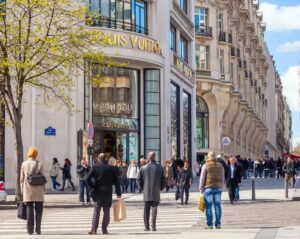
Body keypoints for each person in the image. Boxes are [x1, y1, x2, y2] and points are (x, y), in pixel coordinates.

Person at [86, 153, 122, 235]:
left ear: (99, 159)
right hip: (108, 192)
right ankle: (104, 230)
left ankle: (94, 230)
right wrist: (118, 193)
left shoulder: (95, 167)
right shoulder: (112, 168)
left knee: (96, 211)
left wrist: (91, 187)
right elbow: (117, 182)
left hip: (97, 192)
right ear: (106, 159)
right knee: (106, 211)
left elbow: (87, 178)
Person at [137, 152, 166, 232]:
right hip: (156, 191)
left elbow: (138, 179)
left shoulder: (143, 168)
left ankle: (147, 227)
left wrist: (142, 188)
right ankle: (153, 226)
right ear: (154, 157)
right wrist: (160, 188)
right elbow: (164, 180)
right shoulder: (159, 167)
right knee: (154, 209)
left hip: (146, 192)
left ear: (148, 157)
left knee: (146, 211)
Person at [20, 147, 45, 235]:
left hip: (28, 190)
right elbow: (43, 178)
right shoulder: (39, 164)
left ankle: (30, 230)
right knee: (39, 210)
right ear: (36, 154)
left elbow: (22, 179)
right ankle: (38, 229)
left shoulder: (24, 164)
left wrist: (22, 190)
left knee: (29, 210)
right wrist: (44, 190)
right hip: (39, 190)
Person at [199, 151, 224, 229]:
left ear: (209, 157)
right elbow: (223, 177)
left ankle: (210, 224)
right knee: (218, 206)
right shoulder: (220, 166)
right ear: (215, 157)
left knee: (209, 207)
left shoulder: (205, 165)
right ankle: (218, 224)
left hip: (208, 188)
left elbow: (202, 178)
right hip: (218, 188)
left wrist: (201, 188)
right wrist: (221, 186)